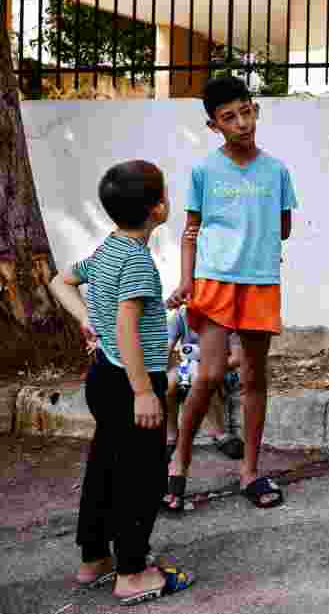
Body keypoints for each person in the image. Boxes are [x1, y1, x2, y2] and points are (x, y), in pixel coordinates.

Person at [48, 160, 195, 605]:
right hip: (129, 383)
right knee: (141, 479)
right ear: (158, 208)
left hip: (105, 377)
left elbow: (61, 281)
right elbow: (129, 327)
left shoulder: (108, 250)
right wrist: (144, 391)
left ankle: (94, 559)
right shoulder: (136, 263)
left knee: (105, 470)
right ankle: (132, 572)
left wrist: (89, 322)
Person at [164, 75, 298, 511]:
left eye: (246, 112)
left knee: (255, 377)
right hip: (215, 283)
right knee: (207, 375)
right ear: (214, 125)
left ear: (255, 110)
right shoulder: (204, 171)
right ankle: (179, 462)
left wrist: (252, 242)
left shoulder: (277, 170)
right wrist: (187, 280)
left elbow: (283, 229)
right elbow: (190, 231)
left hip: (260, 283)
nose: (241, 123)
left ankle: (251, 473)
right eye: (228, 117)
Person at [165, 304, 245, 461]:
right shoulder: (182, 314)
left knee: (204, 378)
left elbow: (236, 358)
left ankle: (219, 433)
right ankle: (171, 435)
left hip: (221, 369)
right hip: (188, 366)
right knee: (169, 383)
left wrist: (210, 364)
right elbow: (167, 347)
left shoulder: (227, 315)